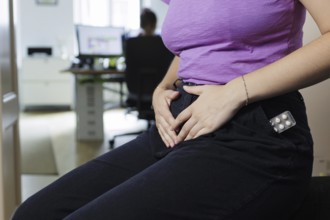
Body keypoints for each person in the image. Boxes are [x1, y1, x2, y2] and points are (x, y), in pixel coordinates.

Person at [13, 0, 330, 219]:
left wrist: (236, 91)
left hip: (255, 131)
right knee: (34, 214)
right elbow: (196, 45)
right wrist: (161, 88)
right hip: (181, 123)